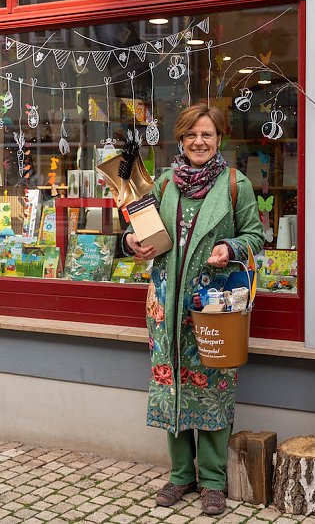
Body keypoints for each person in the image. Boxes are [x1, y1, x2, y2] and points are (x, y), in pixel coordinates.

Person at [123, 103, 265, 515]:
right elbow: (141, 231)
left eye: (206, 134)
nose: (198, 142)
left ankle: (214, 481)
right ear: (181, 140)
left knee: (215, 390)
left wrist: (230, 247)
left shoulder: (236, 184)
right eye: (191, 135)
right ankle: (181, 475)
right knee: (173, 387)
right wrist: (132, 243)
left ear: (219, 138)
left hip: (213, 308)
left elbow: (256, 236)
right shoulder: (165, 183)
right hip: (165, 307)